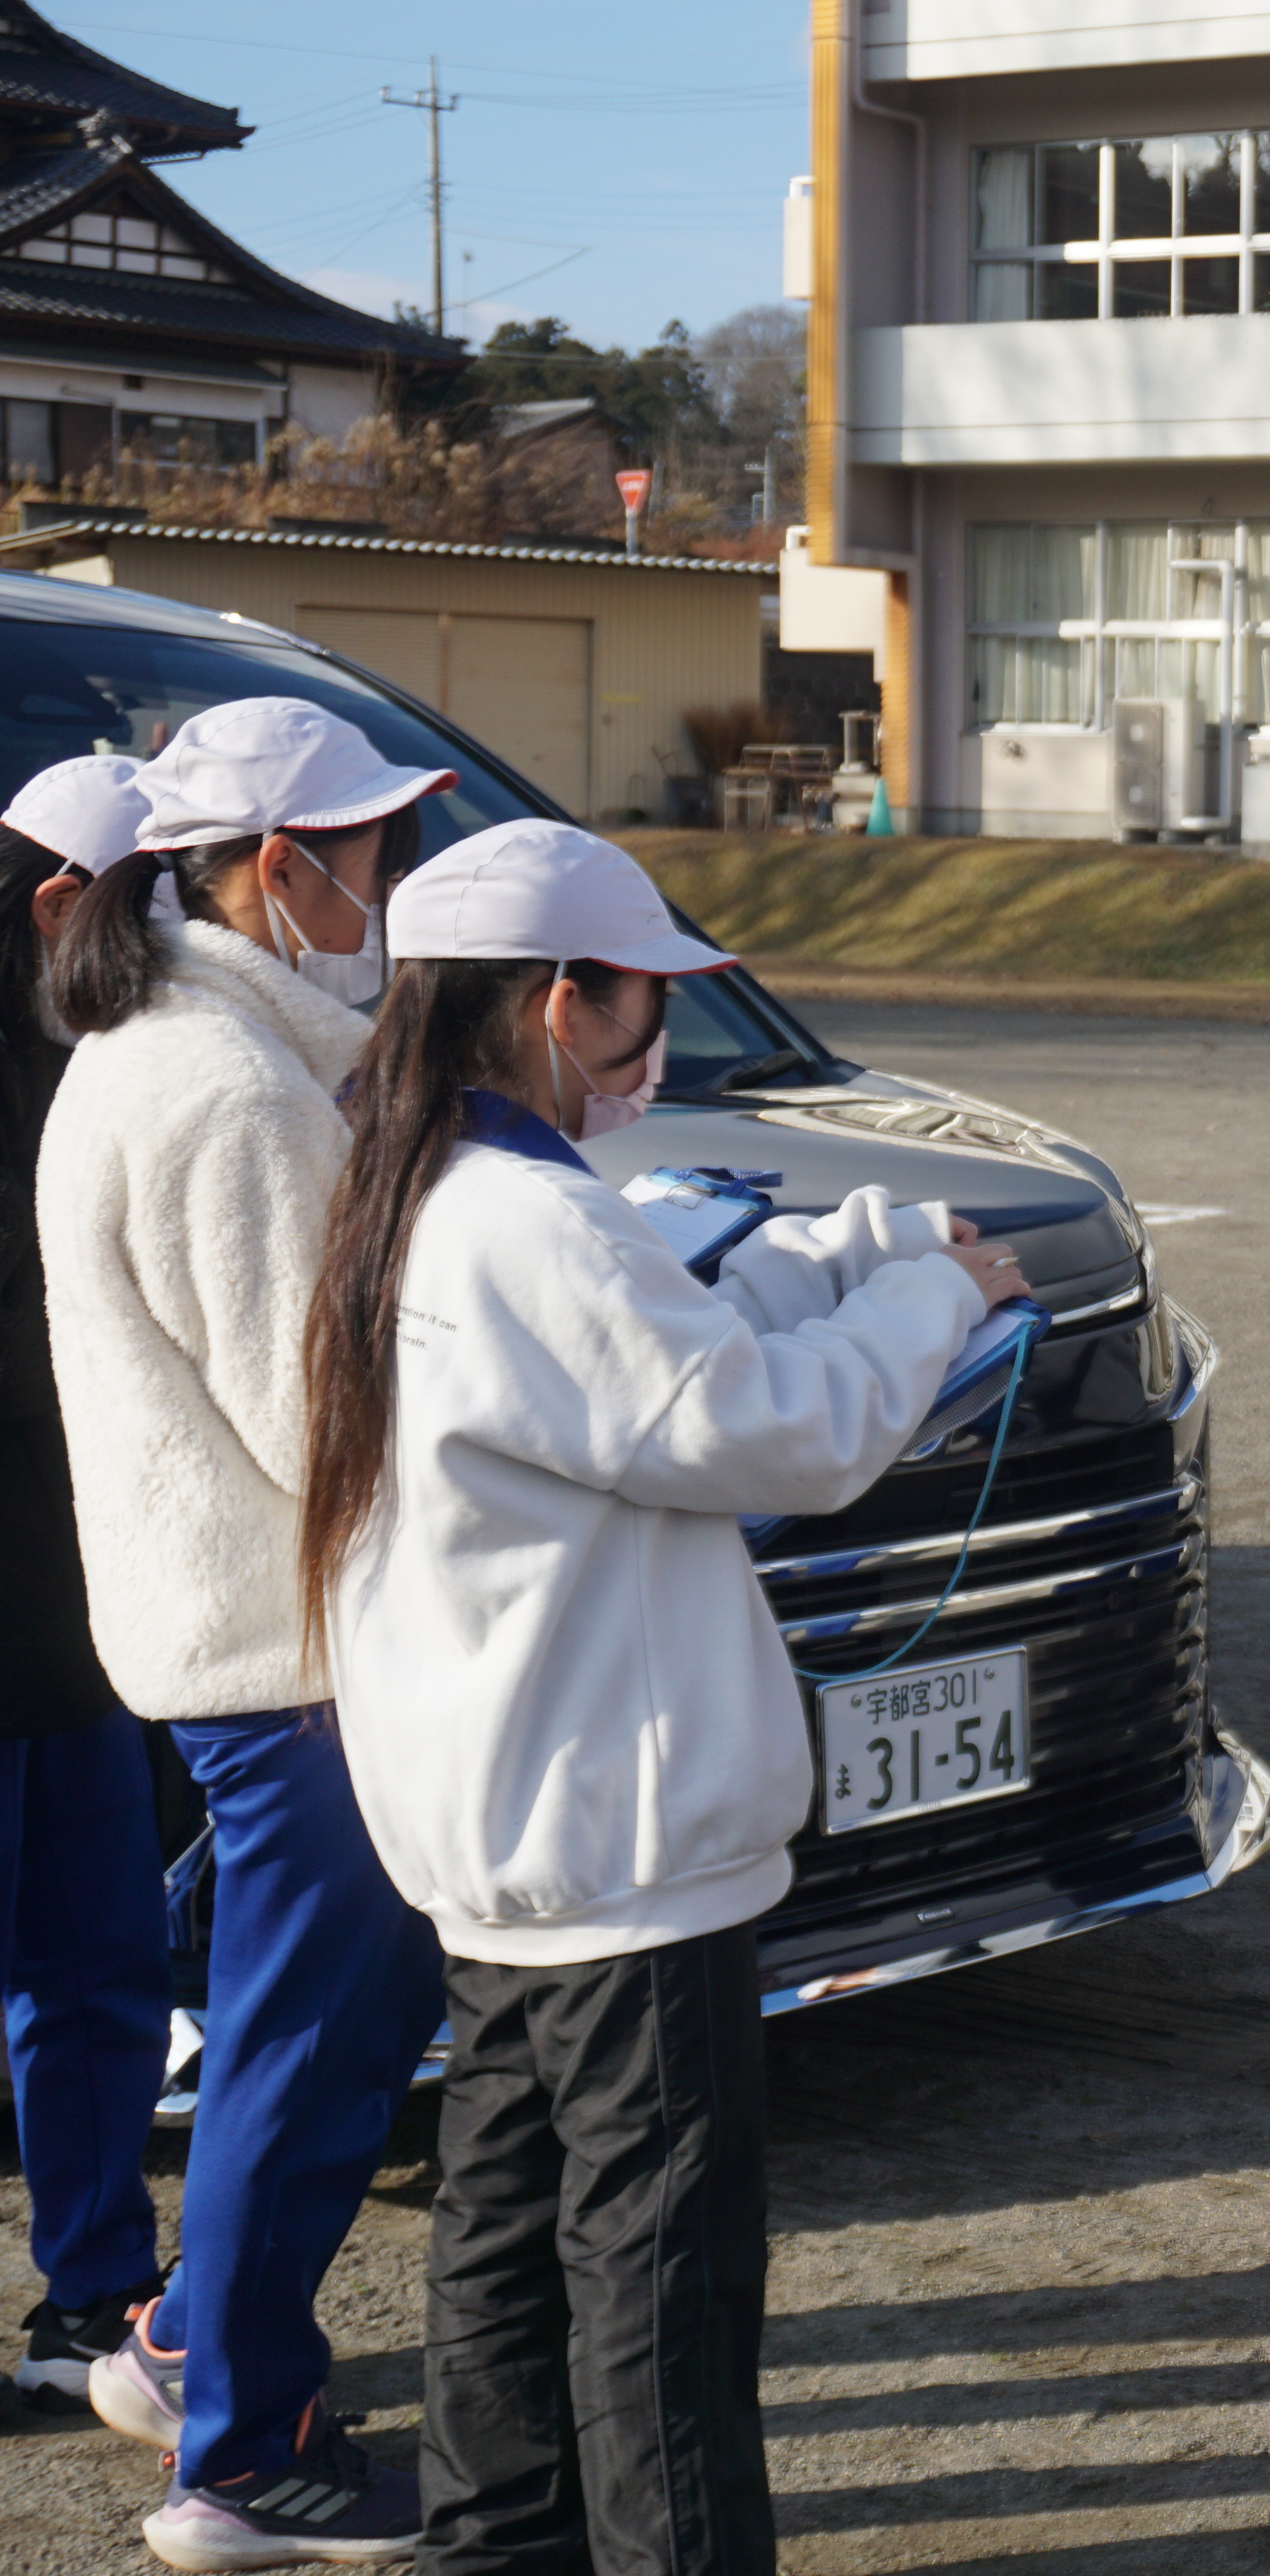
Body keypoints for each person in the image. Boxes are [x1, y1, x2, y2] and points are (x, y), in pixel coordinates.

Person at [299, 818, 1019, 2576]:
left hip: (499, 1832)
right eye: (643, 1004)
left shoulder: (418, 1184)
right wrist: (933, 1286)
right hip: (620, 1852)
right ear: (557, 1000)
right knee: (662, 2287)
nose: (660, 1045)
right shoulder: (527, 1221)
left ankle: (500, 2545)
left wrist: (863, 1242)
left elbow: (663, 1327)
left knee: (507, 2231)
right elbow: (763, 1426)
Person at [38, 697, 462, 2566]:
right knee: (309, 2048)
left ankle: (196, 2341)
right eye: (373, 853)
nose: (393, 890)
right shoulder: (221, 1083)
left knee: (313, 2031)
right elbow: (326, 1420)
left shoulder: (207, 1043)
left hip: (258, 1633)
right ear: (278, 869)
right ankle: (244, 2450)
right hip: (284, 1652)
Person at [2, 753, 173, 2415]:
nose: (171, 941)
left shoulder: (112, 1058)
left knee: (103, 1965)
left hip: (81, 1614)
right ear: (57, 903)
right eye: (149, 907)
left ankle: (94, 2294)